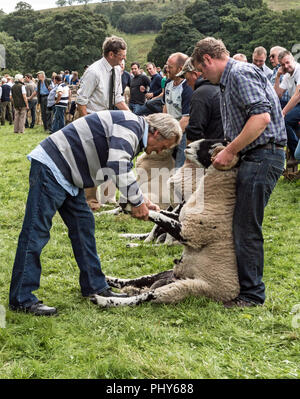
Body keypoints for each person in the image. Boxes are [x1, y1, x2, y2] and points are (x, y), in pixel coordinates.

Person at [9, 111, 182, 316]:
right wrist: (136, 202)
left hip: (69, 174)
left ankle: (95, 286)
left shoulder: (132, 128)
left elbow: (120, 167)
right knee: (36, 231)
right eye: (161, 146)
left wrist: (142, 200)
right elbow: (118, 165)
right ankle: (21, 298)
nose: (156, 152)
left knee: (84, 227)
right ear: (155, 132)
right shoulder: (131, 127)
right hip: (53, 167)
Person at [191, 37, 287, 308]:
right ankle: (241, 284)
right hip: (255, 156)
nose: (201, 76)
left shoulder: (240, 74)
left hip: (262, 156)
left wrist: (230, 151)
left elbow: (261, 118)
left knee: (246, 226)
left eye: (201, 70)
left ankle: (252, 294)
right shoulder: (228, 79)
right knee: (241, 223)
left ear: (208, 59)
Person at [76, 36, 130, 210]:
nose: (124, 59)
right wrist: (87, 125)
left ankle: (109, 197)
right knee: (92, 160)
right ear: (111, 54)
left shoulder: (116, 71)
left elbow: (118, 98)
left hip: (109, 120)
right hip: (92, 119)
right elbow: (81, 101)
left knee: (111, 157)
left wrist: (132, 117)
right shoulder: (93, 71)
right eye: (121, 56)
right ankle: (90, 199)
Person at [178, 57, 224, 142]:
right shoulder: (221, 87)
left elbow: (195, 130)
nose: (187, 84)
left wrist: (190, 149)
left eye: (187, 79)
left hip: (209, 148)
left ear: (195, 74)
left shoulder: (200, 94)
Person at [163, 52, 193, 168]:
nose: (167, 70)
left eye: (170, 67)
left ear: (180, 69)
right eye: (167, 66)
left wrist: (171, 137)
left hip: (182, 134)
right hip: (171, 131)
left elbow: (186, 119)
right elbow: (165, 106)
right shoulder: (168, 84)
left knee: (180, 167)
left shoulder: (187, 88)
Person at [274, 50, 300, 158]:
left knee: (284, 121)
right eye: (283, 64)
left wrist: (283, 112)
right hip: (297, 105)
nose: (286, 66)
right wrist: (277, 76)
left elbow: (298, 96)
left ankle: (295, 152)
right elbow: (277, 94)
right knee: (279, 113)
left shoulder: (299, 70)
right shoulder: (287, 76)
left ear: (292, 59)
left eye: (288, 62)